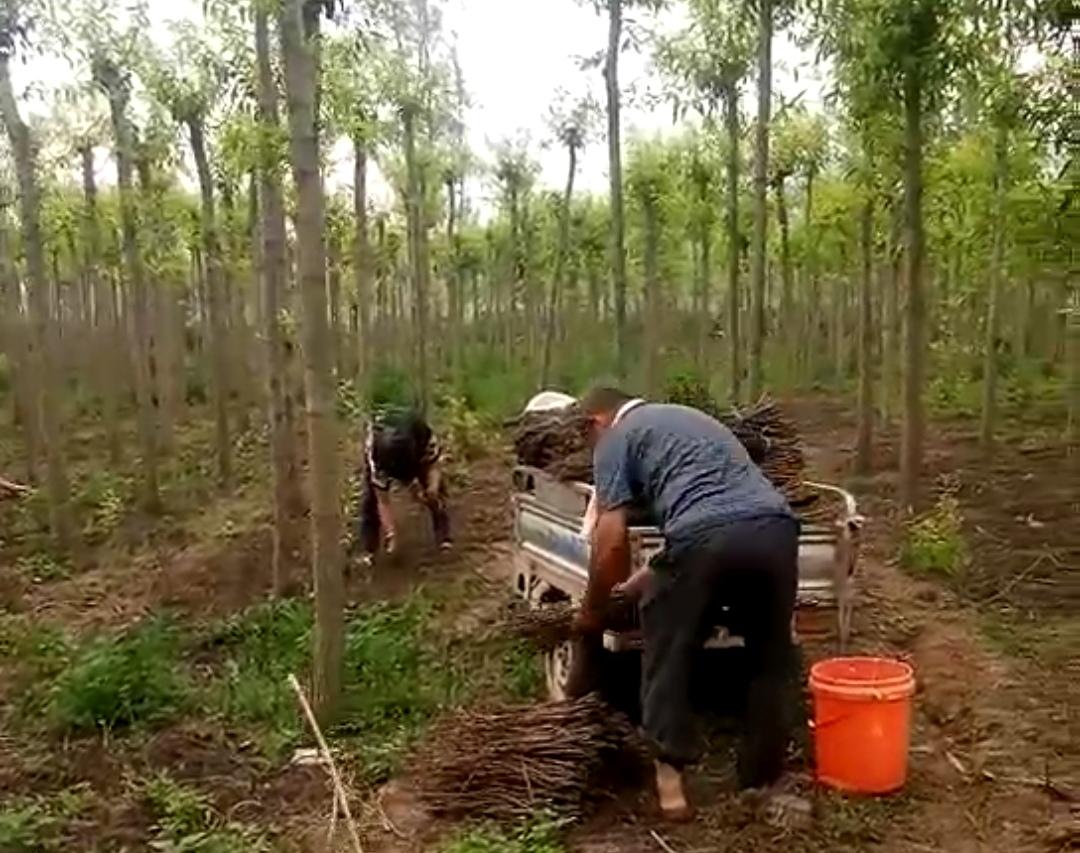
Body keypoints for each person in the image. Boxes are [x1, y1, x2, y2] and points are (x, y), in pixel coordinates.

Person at [573, 384, 799, 820]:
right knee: (771, 659)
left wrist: (593, 609)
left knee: (668, 649)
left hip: (706, 536)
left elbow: (612, 541)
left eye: (588, 438)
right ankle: (761, 781)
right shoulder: (688, 420)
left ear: (597, 422)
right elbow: (719, 509)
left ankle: (670, 781)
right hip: (776, 529)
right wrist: (655, 573)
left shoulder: (616, 438)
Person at [357, 408, 451, 562]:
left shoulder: (422, 435)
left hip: (415, 453)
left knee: (437, 492)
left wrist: (432, 488)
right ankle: (369, 549)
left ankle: (444, 538)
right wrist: (391, 533)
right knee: (370, 500)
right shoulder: (376, 453)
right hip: (385, 458)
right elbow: (383, 500)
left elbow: (434, 465)